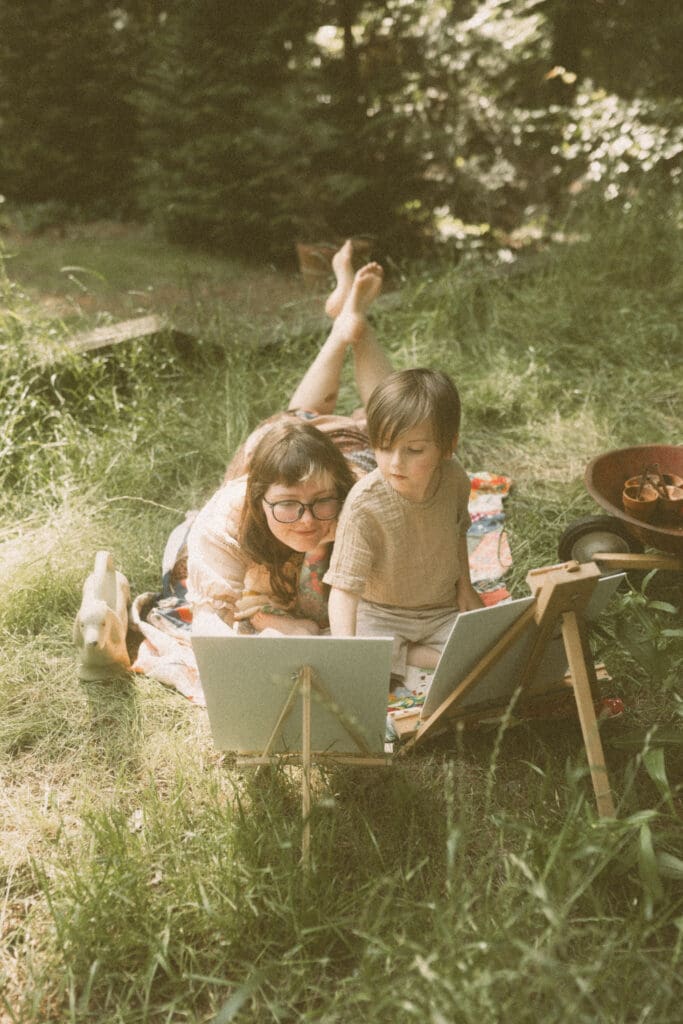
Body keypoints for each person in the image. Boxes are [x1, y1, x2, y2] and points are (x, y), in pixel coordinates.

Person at [186, 244, 392, 637]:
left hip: (344, 450)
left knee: (390, 425)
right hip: (276, 447)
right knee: (291, 422)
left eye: (321, 503)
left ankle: (355, 324)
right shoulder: (226, 518)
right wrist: (269, 620)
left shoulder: (365, 495)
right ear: (259, 497)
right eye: (287, 507)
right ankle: (342, 324)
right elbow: (210, 619)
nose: (308, 521)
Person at [324, 367, 483, 682]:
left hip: (441, 608)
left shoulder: (454, 479)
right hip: (381, 613)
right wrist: (347, 648)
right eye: (383, 446)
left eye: (414, 450)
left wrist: (466, 589)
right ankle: (405, 653)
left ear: (448, 447)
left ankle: (404, 654)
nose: (395, 462)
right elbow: (344, 589)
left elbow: (458, 532)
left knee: (495, 653)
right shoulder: (363, 505)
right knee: (363, 673)